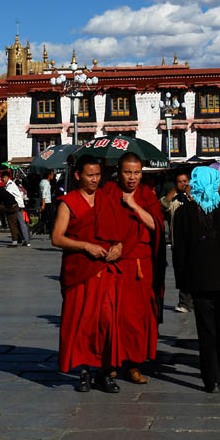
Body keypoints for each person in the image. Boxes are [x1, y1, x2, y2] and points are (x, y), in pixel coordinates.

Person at [51, 156, 128, 393]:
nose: (95, 180)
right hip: (80, 271)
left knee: (107, 321)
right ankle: (84, 371)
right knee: (82, 322)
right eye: (90, 175)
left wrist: (119, 247)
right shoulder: (69, 202)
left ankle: (105, 372)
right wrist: (85, 246)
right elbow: (57, 237)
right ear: (78, 176)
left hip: (105, 270)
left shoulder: (108, 199)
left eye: (97, 175)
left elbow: (120, 232)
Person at [173, 166, 220, 393]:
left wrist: (182, 282)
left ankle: (210, 377)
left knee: (205, 328)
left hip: (199, 279)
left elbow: (180, 252)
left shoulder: (183, 212)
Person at [106, 152, 165, 384]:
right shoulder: (108, 192)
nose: (132, 177)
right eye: (128, 172)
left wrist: (133, 205)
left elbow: (157, 225)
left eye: (137, 173)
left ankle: (134, 364)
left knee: (138, 317)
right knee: (113, 316)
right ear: (119, 172)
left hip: (142, 267)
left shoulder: (146, 195)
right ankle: (110, 363)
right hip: (116, 264)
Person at [166, 171, 195, 313]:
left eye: (185, 181)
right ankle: (184, 302)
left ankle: (194, 300)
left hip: (194, 242)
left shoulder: (194, 198)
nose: (184, 184)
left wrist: (190, 195)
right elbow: (163, 204)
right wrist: (174, 191)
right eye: (180, 182)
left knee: (194, 271)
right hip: (177, 242)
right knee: (181, 271)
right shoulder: (174, 200)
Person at [1, 171, 30, 247]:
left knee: (20, 222)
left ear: (8, 178)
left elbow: (6, 194)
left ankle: (26, 240)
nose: (3, 179)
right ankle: (23, 239)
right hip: (17, 205)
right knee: (18, 223)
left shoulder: (10, 185)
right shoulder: (8, 184)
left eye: (5, 177)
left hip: (18, 205)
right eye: (3, 178)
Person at [38, 169, 55, 235]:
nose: (53, 176)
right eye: (52, 174)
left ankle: (34, 229)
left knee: (44, 219)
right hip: (47, 202)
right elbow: (44, 193)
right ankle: (52, 232)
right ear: (49, 175)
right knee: (51, 219)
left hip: (44, 202)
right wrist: (43, 204)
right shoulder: (46, 183)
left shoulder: (42, 182)